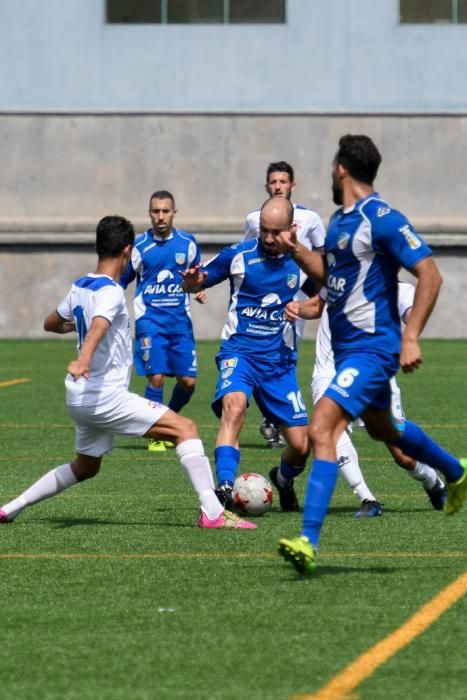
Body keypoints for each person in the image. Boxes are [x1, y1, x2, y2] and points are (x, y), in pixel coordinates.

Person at [274, 134, 466, 574]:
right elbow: (332, 277)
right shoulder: (340, 222)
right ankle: (455, 472)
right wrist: (298, 252)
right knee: (386, 430)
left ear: (341, 168)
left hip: (373, 349)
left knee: (322, 427)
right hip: (349, 352)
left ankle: (308, 539)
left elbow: (430, 275)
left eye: (331, 164)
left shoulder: (382, 218)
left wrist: (411, 335)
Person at [0, 215, 255, 530]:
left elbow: (50, 323)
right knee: (186, 429)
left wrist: (75, 329)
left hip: (78, 397)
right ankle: (214, 514)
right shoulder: (110, 292)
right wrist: (84, 357)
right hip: (103, 395)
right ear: (127, 251)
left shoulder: (80, 285)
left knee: (86, 467)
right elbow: (98, 326)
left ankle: (9, 508)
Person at [181, 197, 311, 511]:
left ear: (291, 229)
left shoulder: (305, 261)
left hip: (279, 363)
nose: (267, 237)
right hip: (239, 354)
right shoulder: (238, 255)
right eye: (263, 230)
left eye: (275, 231)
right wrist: (191, 282)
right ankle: (224, 487)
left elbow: (329, 296)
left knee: (300, 446)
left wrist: (304, 308)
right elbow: (199, 280)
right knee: (235, 407)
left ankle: (282, 479)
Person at [286, 282, 447, 516]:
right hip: (329, 371)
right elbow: (317, 306)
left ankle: (434, 483)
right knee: (328, 430)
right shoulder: (339, 276)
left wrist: (410, 334)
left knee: (402, 455)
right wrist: (296, 308)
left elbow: (412, 312)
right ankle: (367, 499)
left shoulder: (397, 288)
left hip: (373, 371)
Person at [243, 161, 326, 448]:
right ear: (267, 186)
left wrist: (321, 290)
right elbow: (244, 255)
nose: (278, 186)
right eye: (273, 181)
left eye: (283, 181)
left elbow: (321, 254)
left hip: (297, 295)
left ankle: (278, 415)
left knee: (287, 351)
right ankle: (271, 416)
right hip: (263, 296)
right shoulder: (254, 219)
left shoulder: (310, 218)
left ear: (293, 185)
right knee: (262, 349)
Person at [120, 190, 204, 453]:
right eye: (155, 211)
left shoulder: (188, 243)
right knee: (155, 377)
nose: (160, 216)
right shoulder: (139, 246)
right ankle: (157, 432)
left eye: (165, 211)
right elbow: (122, 281)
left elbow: (198, 276)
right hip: (150, 322)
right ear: (149, 213)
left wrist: (199, 287)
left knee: (188, 383)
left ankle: (169, 416)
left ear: (174, 213)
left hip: (180, 325)